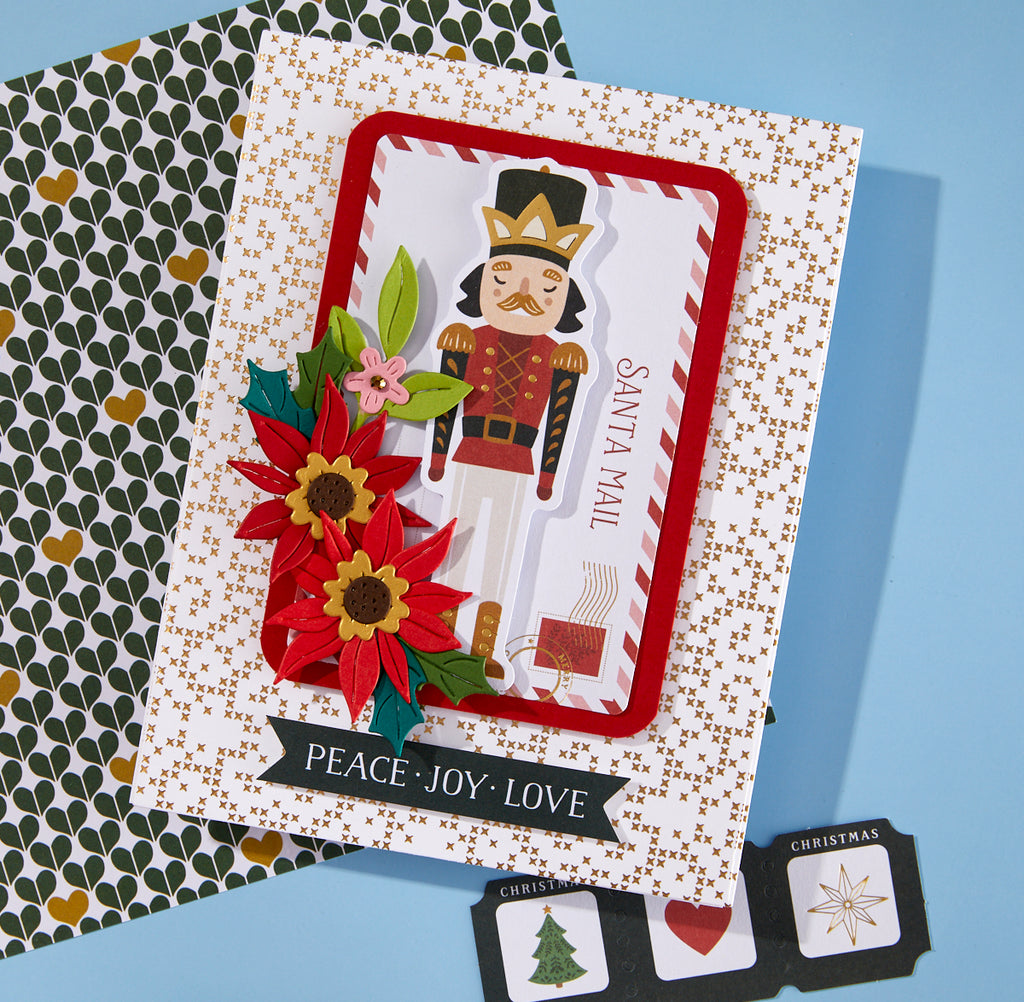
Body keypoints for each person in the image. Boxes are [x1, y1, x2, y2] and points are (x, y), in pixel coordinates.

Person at [428, 165, 596, 679]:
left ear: (565, 299)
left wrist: (548, 475)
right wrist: (437, 456)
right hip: (469, 454)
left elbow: (560, 418)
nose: (522, 294)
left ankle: (484, 650)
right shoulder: (464, 340)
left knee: (501, 555)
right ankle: (439, 640)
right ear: (482, 281)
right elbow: (443, 400)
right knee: (454, 546)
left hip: (520, 464)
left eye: (547, 288)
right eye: (502, 279)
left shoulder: (561, 356)